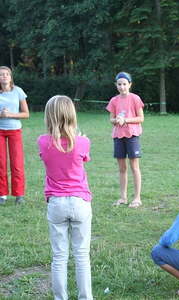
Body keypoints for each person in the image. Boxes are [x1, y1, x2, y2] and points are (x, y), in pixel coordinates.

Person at [37, 96, 93, 300]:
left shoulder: (43, 141)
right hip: (80, 201)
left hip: (56, 203)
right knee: (81, 256)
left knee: (59, 256)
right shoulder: (83, 141)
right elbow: (84, 157)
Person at [106, 72, 144, 208]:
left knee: (134, 167)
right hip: (118, 136)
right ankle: (123, 197)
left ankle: (137, 198)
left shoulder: (135, 98)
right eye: (119, 84)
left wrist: (126, 120)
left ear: (130, 85)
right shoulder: (114, 100)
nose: (122, 87)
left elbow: (141, 118)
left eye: (124, 84)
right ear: (116, 85)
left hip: (132, 136)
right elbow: (111, 119)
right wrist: (116, 120)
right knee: (122, 168)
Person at [0, 66, 29, 204]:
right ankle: (2, 194)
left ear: (11, 77)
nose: (4, 76)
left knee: (17, 163)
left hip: (15, 131)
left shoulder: (18, 91)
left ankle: (19, 195)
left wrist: (10, 114)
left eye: (7, 74)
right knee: (1, 163)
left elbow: (26, 114)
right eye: (1, 75)